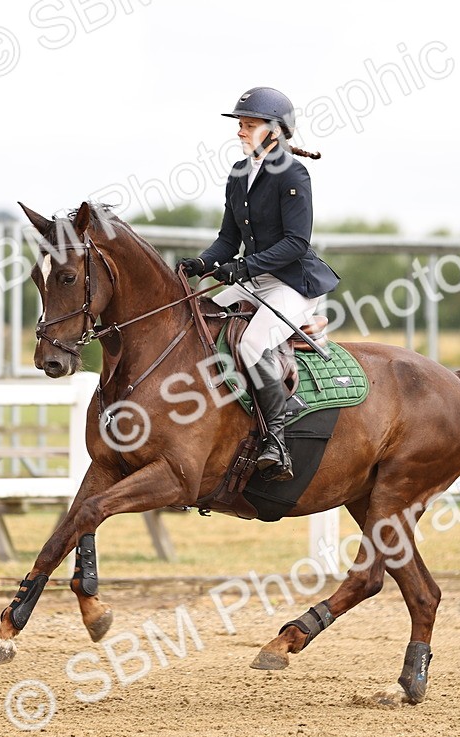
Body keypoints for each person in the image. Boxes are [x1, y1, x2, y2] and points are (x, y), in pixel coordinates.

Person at [177, 87, 339, 482]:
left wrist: (243, 268)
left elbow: (296, 242)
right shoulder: (238, 173)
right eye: (241, 125)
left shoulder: (293, 174)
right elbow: (228, 240)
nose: (240, 132)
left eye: (248, 125)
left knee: (251, 343)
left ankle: (277, 440)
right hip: (258, 278)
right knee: (203, 317)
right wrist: (203, 262)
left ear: (274, 131)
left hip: (294, 283)